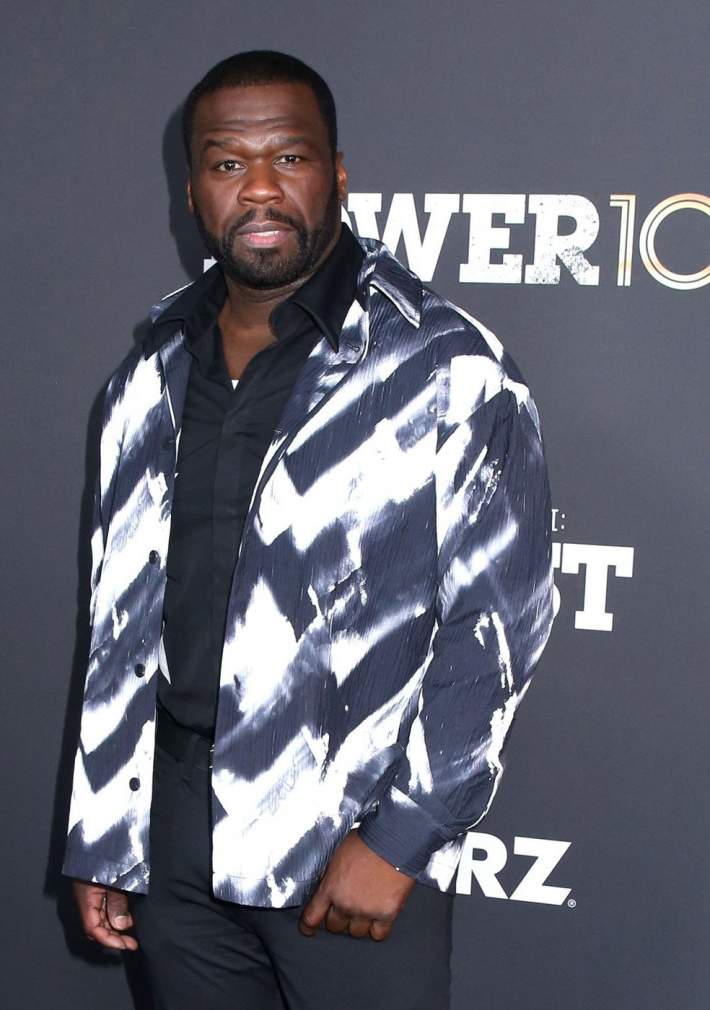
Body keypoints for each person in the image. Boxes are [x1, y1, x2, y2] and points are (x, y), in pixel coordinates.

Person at [64, 50, 554, 1010]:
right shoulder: (148, 371)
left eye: (287, 157)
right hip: (169, 837)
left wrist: (402, 837)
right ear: (194, 189)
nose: (257, 188)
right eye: (224, 162)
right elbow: (120, 626)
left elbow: (501, 626)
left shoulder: (444, 367)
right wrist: (106, 828)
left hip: (348, 842)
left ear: (337, 173)